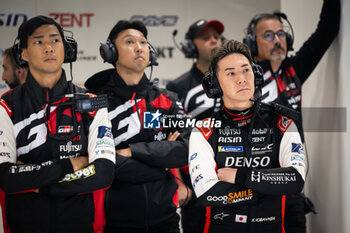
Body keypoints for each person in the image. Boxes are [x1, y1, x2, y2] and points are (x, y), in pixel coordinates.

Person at [0, 15, 115, 233]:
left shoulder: (93, 102)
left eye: (55, 40)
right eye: (38, 41)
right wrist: (68, 166)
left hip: (80, 225)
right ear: (23, 53)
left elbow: (103, 172)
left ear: (67, 49)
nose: (49, 48)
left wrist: (39, 185)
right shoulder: (6, 106)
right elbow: (5, 177)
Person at [189, 39, 306, 233]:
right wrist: (268, 187)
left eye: (245, 70)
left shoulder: (283, 124)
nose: (241, 78)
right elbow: (207, 194)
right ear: (215, 85)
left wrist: (239, 176)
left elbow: (295, 180)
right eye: (231, 73)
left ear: (256, 75)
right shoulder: (203, 130)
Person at [242, 0, 340, 231]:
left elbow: (326, 31)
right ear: (252, 43)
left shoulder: (293, 69)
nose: (277, 40)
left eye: (281, 34)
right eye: (268, 35)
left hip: (292, 185)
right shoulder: (243, 79)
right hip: (257, 188)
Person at [84, 20, 189, 233]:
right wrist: (161, 164)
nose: (139, 47)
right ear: (110, 52)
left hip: (166, 219)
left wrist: (130, 151)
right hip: (114, 221)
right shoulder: (95, 102)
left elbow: (186, 149)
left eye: (143, 42)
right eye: (129, 42)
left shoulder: (167, 99)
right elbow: (101, 164)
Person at [166, 19, 224, 233]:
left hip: (234, 178)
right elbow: (171, 138)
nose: (213, 41)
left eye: (216, 37)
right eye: (205, 37)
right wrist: (180, 184)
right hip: (197, 183)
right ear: (191, 46)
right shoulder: (177, 86)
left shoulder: (234, 80)